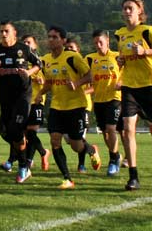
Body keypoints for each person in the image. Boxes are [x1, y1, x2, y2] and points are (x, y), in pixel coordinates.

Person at [114, 0, 152, 190]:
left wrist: (145, 52)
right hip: (129, 87)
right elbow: (123, 57)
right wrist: (121, 61)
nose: (127, 11)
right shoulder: (120, 34)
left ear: (140, 11)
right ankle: (133, 176)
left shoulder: (148, 31)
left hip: (149, 86)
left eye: (131, 8)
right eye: (125, 8)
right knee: (128, 129)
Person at [34, 26, 101, 189]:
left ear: (63, 40)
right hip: (57, 106)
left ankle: (91, 149)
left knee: (76, 145)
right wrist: (40, 93)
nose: (51, 40)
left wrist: (77, 83)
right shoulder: (45, 60)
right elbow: (49, 81)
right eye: (49, 37)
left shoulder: (72, 57)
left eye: (55, 37)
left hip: (76, 106)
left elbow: (91, 76)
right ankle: (67, 178)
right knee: (55, 140)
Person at [0, 20, 41, 183]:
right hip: (5, 96)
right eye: (1, 31)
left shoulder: (24, 49)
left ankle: (23, 166)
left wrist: (29, 72)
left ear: (14, 33)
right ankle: (23, 154)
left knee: (16, 130)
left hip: (23, 96)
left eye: (6, 31)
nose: (3, 34)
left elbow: (39, 64)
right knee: (5, 131)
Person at [1, 35, 51, 173]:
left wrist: (41, 81)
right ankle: (17, 159)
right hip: (21, 102)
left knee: (30, 132)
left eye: (29, 42)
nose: (26, 44)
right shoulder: (20, 60)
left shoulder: (42, 61)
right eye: (24, 42)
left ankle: (29, 159)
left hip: (36, 101)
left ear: (35, 45)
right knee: (16, 132)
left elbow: (50, 78)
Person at [85, 30, 123, 176]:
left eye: (100, 42)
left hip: (114, 98)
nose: (98, 45)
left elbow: (128, 71)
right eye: (95, 43)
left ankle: (113, 160)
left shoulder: (117, 56)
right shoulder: (90, 58)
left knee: (111, 128)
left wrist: (121, 82)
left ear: (107, 41)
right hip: (99, 100)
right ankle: (116, 154)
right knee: (105, 133)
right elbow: (83, 73)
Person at [65, 38, 92, 174]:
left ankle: (81, 165)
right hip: (65, 106)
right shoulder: (64, 64)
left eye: (72, 48)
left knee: (80, 137)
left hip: (83, 106)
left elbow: (93, 86)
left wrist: (79, 89)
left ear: (78, 50)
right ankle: (91, 149)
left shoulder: (84, 64)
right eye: (67, 48)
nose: (69, 50)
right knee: (69, 140)